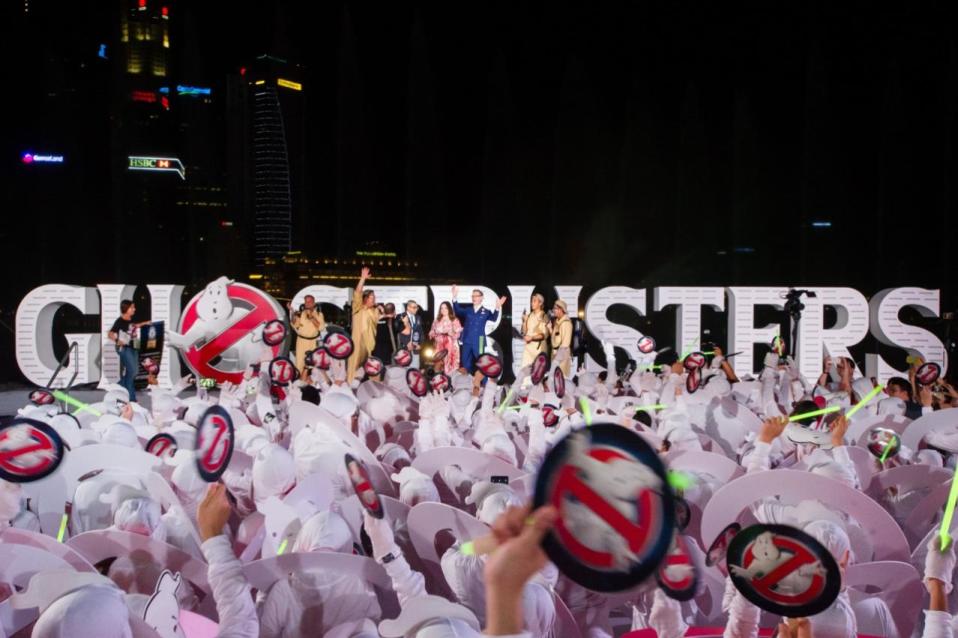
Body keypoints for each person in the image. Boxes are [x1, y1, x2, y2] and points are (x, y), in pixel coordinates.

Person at [451, 285, 507, 373]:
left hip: (480, 340)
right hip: (467, 340)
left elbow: (494, 318)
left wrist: (497, 307)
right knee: (465, 363)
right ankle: (467, 383)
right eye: (472, 296)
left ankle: (484, 383)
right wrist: (454, 296)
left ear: (481, 298)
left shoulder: (486, 311)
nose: (474, 298)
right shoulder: (468, 310)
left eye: (476, 296)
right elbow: (457, 310)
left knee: (482, 362)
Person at [107, 299, 151, 402]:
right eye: (132, 307)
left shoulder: (131, 319)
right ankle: (131, 399)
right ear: (126, 309)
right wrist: (117, 340)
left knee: (133, 372)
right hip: (124, 349)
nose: (134, 309)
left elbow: (134, 326)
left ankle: (118, 387)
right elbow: (110, 333)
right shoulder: (119, 321)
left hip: (134, 347)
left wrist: (146, 323)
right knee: (132, 371)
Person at [347, 267, 381, 382]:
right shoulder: (358, 308)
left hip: (370, 345)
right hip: (358, 342)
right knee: (355, 366)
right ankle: (351, 385)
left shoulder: (375, 310)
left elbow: (377, 319)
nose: (374, 299)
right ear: (365, 298)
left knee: (370, 369)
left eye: (374, 297)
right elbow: (357, 293)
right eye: (371, 297)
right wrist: (362, 278)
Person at [290, 295, 325, 374]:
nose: (307, 304)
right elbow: (294, 324)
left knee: (312, 363)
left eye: (309, 302)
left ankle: (311, 383)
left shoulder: (319, 314)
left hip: (313, 342)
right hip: (301, 341)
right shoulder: (300, 313)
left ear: (313, 303)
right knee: (299, 363)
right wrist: (292, 313)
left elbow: (321, 328)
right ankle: (298, 382)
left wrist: (311, 317)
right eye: (306, 302)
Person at [430, 301, 463, 375]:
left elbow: (458, 334)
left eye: (445, 308)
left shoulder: (454, 320)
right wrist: (434, 334)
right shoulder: (436, 320)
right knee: (439, 365)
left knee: (450, 365)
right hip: (439, 346)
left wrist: (452, 333)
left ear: (449, 309)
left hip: (451, 346)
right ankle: (439, 383)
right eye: (441, 308)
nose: (443, 310)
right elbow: (431, 332)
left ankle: (451, 383)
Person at [519, 293, 550, 370]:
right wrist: (524, 321)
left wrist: (531, 338)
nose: (531, 303)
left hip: (539, 349)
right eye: (531, 301)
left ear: (540, 303)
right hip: (528, 349)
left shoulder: (544, 316)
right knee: (525, 373)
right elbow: (524, 332)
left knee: (537, 375)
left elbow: (544, 335)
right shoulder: (529, 315)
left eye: (534, 301)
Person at [397, 300, 425, 368]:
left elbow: (421, 332)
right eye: (414, 307)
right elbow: (400, 333)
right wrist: (407, 344)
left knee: (415, 371)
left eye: (417, 307)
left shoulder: (418, 317)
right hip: (405, 349)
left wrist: (420, 344)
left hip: (416, 349)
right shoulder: (401, 317)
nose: (416, 309)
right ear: (408, 308)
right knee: (404, 371)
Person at [550, 299, 573, 378]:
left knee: (561, 380)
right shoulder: (557, 322)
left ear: (561, 310)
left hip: (561, 358)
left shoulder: (566, 323)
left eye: (555, 308)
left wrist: (557, 360)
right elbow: (556, 339)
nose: (553, 310)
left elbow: (565, 344)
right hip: (555, 355)